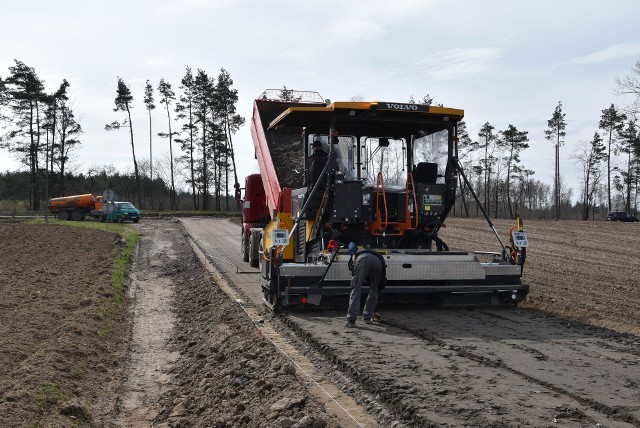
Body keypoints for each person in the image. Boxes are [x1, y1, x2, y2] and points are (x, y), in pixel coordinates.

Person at [346, 242, 386, 328]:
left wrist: (353, 254)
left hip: (363, 259)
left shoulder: (357, 252)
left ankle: (351, 321)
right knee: (374, 290)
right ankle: (367, 318)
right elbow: (380, 287)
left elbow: (351, 243)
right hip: (378, 261)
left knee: (356, 289)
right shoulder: (372, 252)